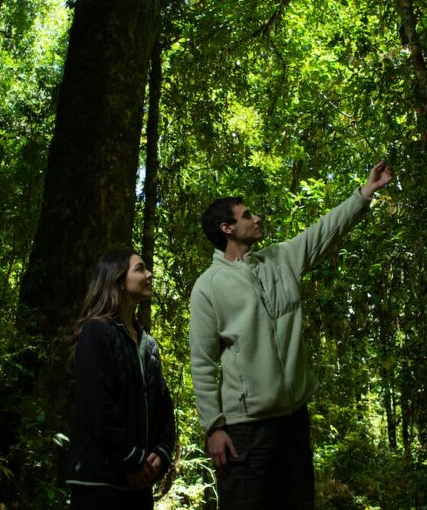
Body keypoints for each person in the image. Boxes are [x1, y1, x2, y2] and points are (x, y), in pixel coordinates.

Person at [189, 160, 395, 509]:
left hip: (293, 421)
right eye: (247, 215)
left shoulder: (279, 259)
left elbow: (325, 230)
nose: (257, 219)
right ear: (227, 228)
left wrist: (365, 193)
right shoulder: (207, 287)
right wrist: (214, 427)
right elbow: (203, 363)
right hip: (246, 429)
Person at [66, 250, 176, 510]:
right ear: (117, 281)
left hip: (138, 487)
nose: (149, 274)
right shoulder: (96, 331)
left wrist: (160, 452)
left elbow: (164, 407)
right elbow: (97, 406)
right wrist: (132, 460)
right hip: (100, 485)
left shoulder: (148, 344)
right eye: (140, 268)